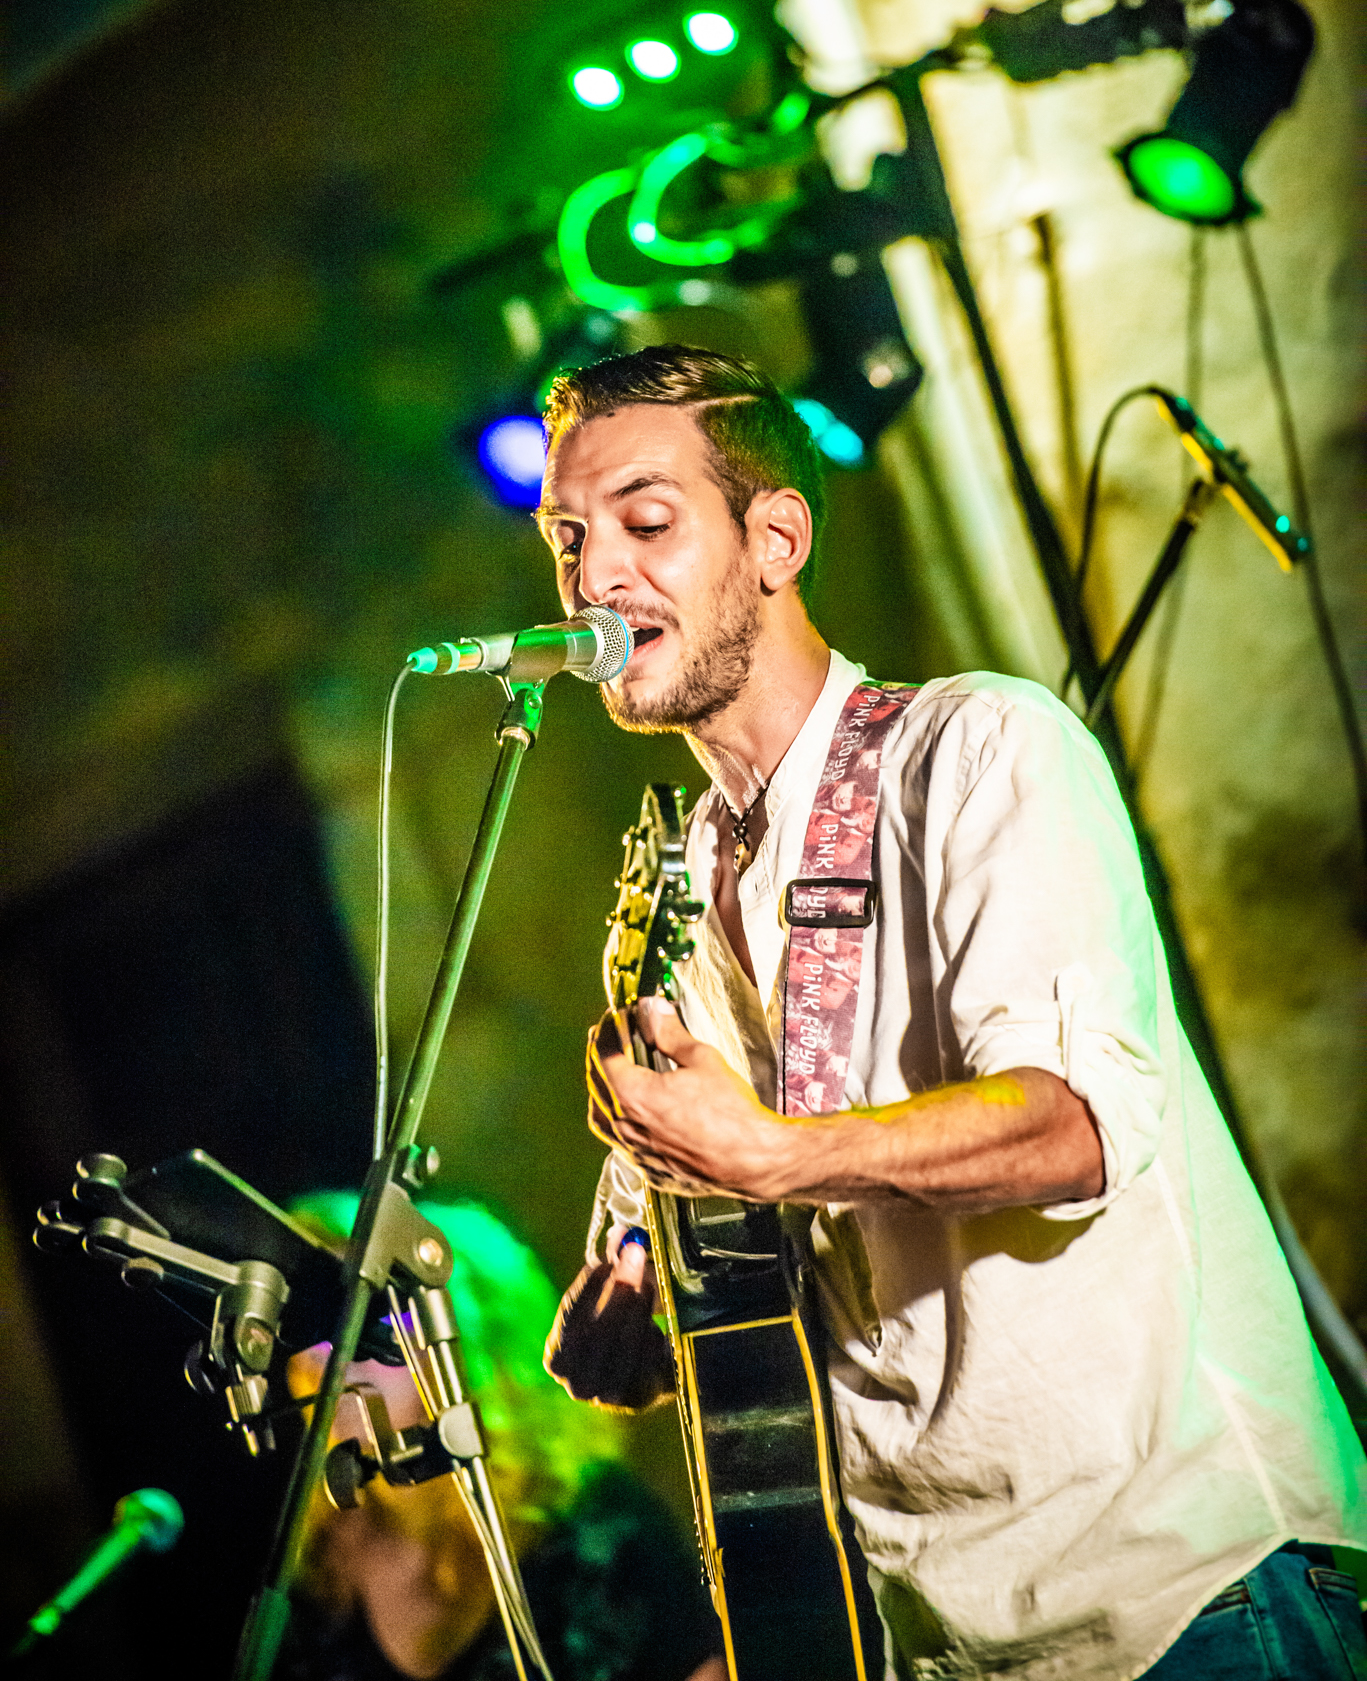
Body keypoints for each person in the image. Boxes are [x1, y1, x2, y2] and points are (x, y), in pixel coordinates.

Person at [537, 343, 1367, 1681]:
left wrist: (774, 1154)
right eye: (568, 538)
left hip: (1177, 1594)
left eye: (645, 521)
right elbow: (697, 1251)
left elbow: (1072, 1128)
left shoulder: (978, 749)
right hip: (934, 1640)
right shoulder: (669, 890)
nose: (592, 579)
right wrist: (639, 1303)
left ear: (774, 539)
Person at [280, 1189, 724, 1681]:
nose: (326, 1356)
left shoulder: (604, 1534)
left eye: (371, 1321)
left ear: (472, 1341)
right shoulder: (310, 1560)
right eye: (318, 1325)